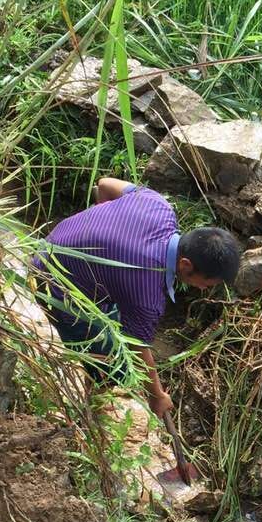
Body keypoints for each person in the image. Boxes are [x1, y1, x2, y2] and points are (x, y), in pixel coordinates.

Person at [33, 178, 239, 417]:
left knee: (115, 319)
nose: (203, 289)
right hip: (52, 283)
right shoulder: (146, 290)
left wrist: (101, 233)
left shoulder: (158, 205)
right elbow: (137, 347)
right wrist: (157, 396)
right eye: (206, 283)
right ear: (185, 265)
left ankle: (93, 387)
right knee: (113, 367)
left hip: (52, 243)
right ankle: (93, 410)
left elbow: (104, 184)